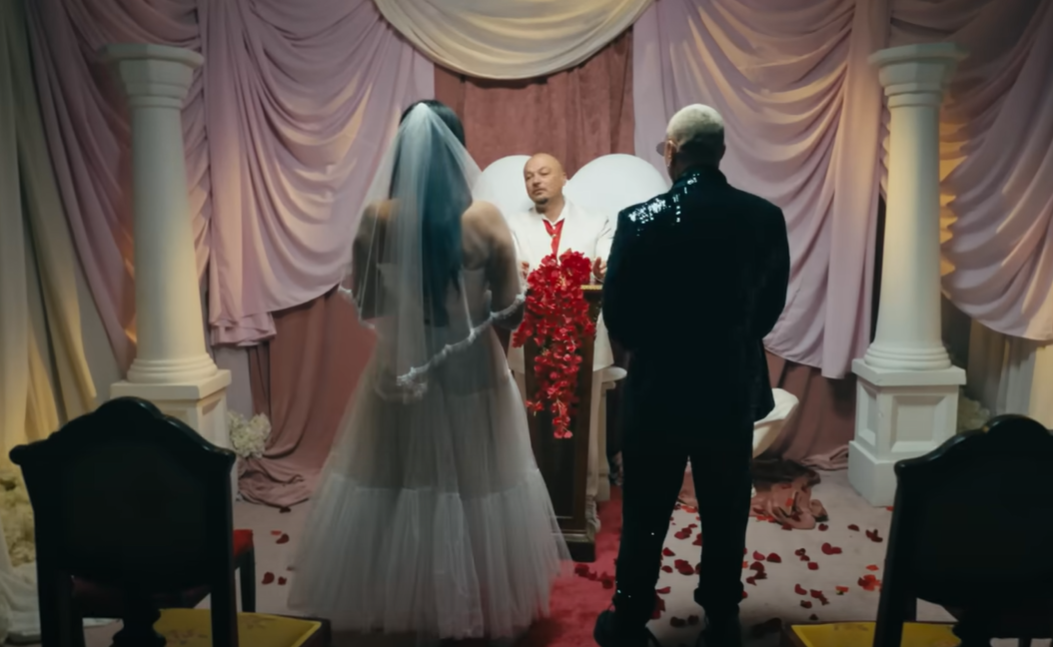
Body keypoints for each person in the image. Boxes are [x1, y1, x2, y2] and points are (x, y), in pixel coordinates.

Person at [287, 100, 569, 644]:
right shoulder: (484, 219)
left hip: (400, 370)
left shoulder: (378, 218)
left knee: (393, 481)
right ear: (456, 151)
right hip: (472, 373)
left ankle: (400, 598)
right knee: (479, 484)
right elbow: (510, 311)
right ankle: (475, 601)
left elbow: (369, 304)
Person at [593, 104, 790, 647]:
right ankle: (722, 620)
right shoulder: (763, 217)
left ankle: (629, 620)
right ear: (721, 152)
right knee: (726, 508)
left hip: (659, 386)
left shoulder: (639, 219)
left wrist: (662, 346)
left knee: (646, 509)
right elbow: (768, 309)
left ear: (672, 152)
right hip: (728, 385)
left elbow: (619, 316)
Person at [506, 153, 615, 534]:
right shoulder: (512, 225)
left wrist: (603, 269)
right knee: (532, 427)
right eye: (528, 176)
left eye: (543, 172)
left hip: (584, 340)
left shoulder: (596, 221)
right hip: (531, 342)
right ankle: (534, 502)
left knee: (587, 427)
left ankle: (585, 502)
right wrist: (514, 272)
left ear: (564, 177)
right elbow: (510, 273)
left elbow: (607, 264)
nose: (535, 180)